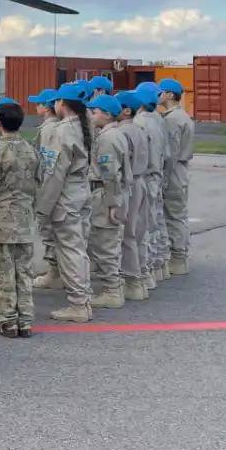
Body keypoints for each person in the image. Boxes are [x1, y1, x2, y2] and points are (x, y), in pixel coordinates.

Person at [0, 102, 40, 338]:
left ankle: (7, 321)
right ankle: (25, 320)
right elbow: (38, 184)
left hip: (3, 221)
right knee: (24, 272)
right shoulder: (31, 150)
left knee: (4, 273)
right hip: (24, 219)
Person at [35, 82, 93, 321]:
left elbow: (54, 173)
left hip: (66, 193)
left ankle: (79, 303)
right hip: (81, 189)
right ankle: (82, 299)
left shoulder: (62, 131)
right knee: (78, 247)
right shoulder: (84, 124)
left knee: (70, 250)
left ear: (62, 104)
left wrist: (42, 208)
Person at [85, 94, 129, 309]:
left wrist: (112, 204)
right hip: (108, 192)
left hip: (104, 193)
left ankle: (111, 290)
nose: (91, 116)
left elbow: (110, 174)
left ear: (107, 114)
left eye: (94, 112)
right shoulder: (114, 134)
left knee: (105, 244)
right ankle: (113, 287)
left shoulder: (107, 139)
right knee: (107, 243)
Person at [134, 81, 170, 288]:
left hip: (146, 176)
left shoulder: (140, 122)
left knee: (144, 226)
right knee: (156, 222)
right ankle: (159, 266)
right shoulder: (158, 120)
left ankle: (145, 272)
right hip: (157, 173)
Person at [116, 91, 152, 302]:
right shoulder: (139, 129)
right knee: (138, 232)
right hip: (142, 180)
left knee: (127, 234)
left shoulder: (124, 132)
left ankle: (132, 281)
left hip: (130, 183)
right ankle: (142, 276)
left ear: (126, 110)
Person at [158, 78, 195, 275]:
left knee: (173, 215)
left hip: (174, 171)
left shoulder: (172, 119)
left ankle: (178, 258)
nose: (158, 96)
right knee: (177, 214)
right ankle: (178, 256)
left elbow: (170, 154)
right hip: (180, 169)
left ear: (170, 95)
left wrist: (163, 180)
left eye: (161, 92)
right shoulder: (182, 116)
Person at [29, 88, 61, 281]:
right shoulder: (53, 126)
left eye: (39, 103)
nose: (35, 106)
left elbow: (48, 162)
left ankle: (54, 272)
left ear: (47, 107)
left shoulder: (49, 129)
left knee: (49, 229)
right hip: (52, 184)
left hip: (48, 184)